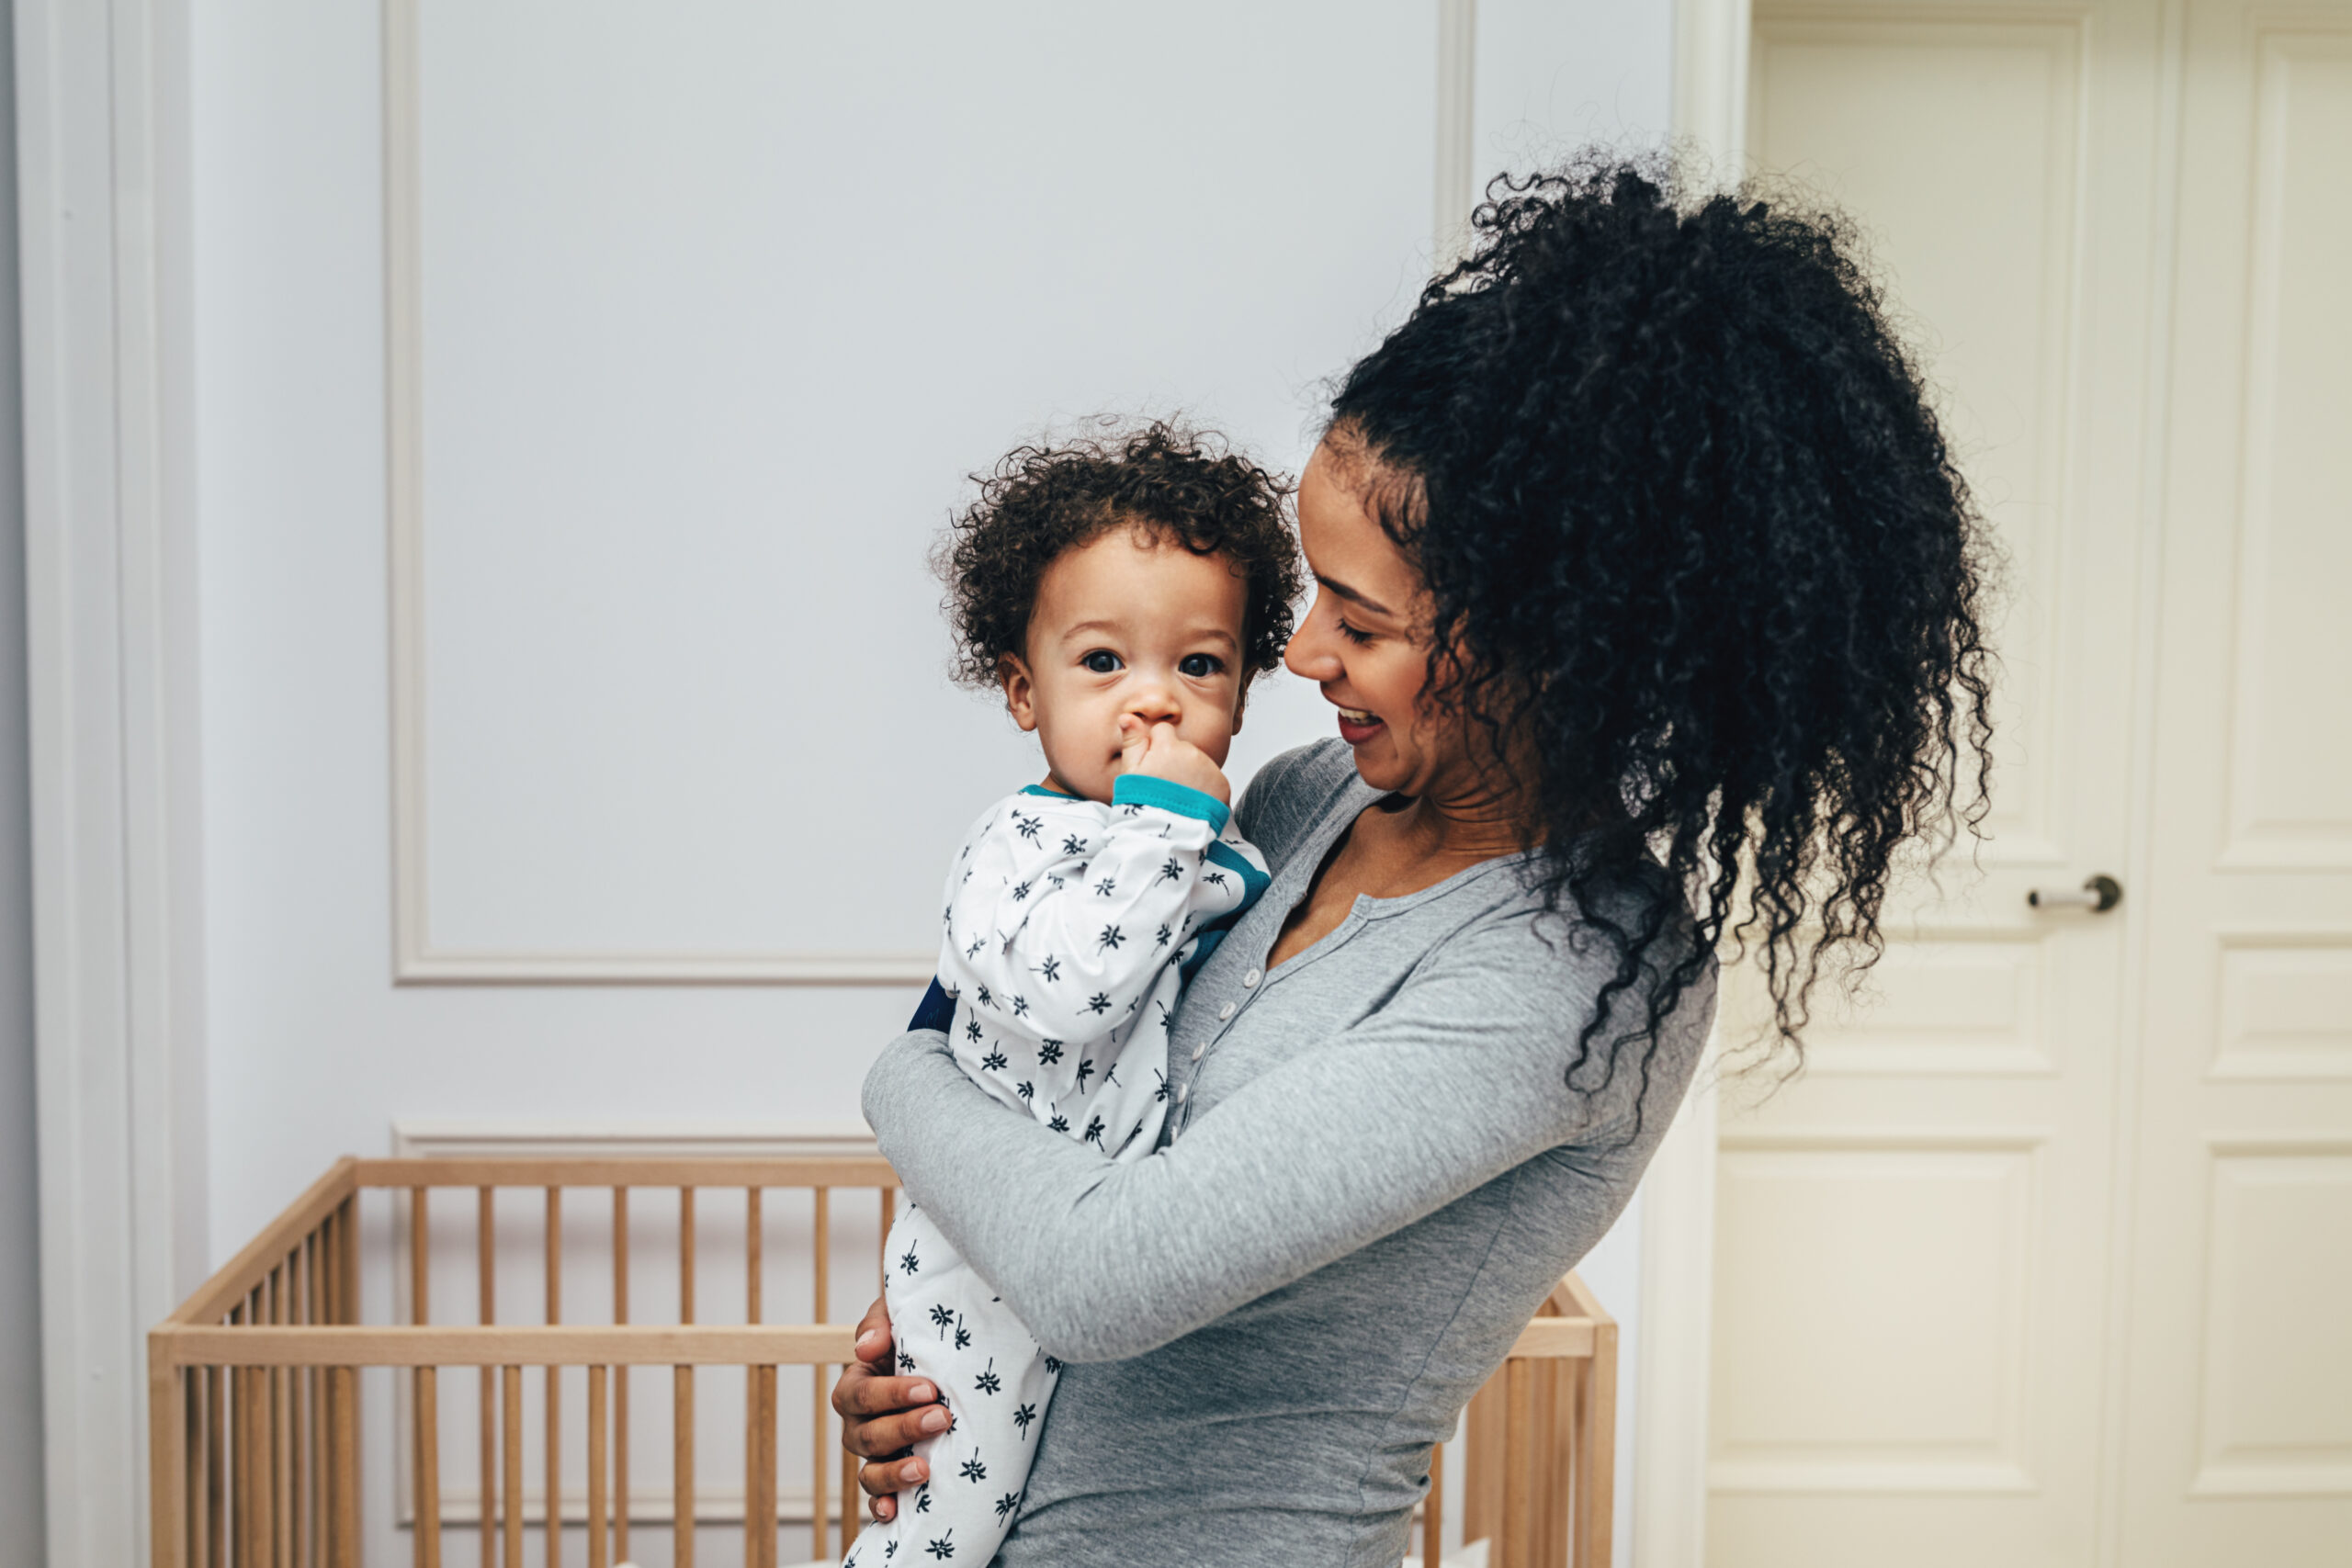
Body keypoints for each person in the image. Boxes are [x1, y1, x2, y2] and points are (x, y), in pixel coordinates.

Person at [833, 155, 1995, 1565]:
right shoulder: (1307, 791)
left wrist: (905, 1068)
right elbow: (1074, 1124)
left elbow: (1101, 1272)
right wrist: (936, 1363)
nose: (1303, 652)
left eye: (1361, 619)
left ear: (1553, 642)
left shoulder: (1578, 981)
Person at [842, 424, 1299, 1567]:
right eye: (1103, 664)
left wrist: (1183, 833)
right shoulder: (1016, 844)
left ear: (1242, 695)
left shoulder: (1219, 846)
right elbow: (1077, 993)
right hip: (987, 1250)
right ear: (1020, 691)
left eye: (1197, 666)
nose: (1153, 704)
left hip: (1102, 1250)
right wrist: (1163, 819)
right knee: (944, 1526)